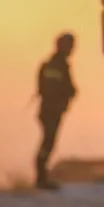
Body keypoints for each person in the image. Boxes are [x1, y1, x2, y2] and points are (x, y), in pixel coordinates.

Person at [34, 32, 78, 190]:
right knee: (47, 143)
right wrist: (68, 92)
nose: (72, 49)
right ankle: (41, 179)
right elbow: (54, 88)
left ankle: (41, 177)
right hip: (50, 110)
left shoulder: (59, 65)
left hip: (52, 110)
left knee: (48, 143)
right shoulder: (55, 65)